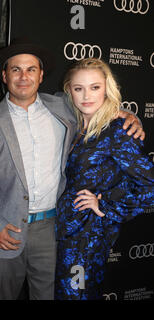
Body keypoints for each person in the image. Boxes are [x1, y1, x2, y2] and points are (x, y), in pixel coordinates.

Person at [0, 38, 144, 300]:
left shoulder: (61, 107)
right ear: (4, 75)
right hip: (4, 232)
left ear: (41, 75)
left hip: (52, 230)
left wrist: (129, 115)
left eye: (31, 69)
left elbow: (96, 104)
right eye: (16, 69)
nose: (23, 76)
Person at [54, 58, 154, 300]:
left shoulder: (118, 130)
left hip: (87, 239)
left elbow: (150, 186)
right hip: (64, 232)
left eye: (95, 87)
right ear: (70, 91)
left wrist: (105, 204)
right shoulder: (78, 127)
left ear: (107, 89)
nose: (87, 95)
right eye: (79, 88)